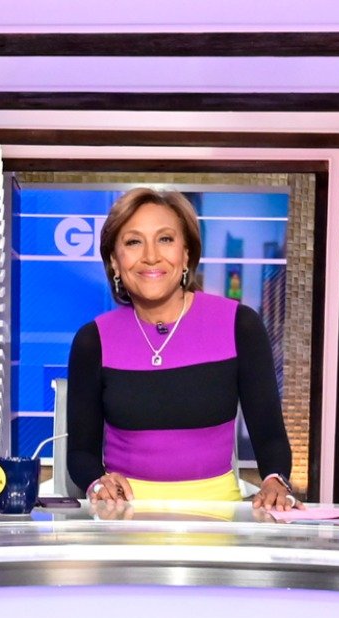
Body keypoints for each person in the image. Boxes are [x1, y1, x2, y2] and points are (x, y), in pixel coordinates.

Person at [66, 187, 298, 510]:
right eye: (133, 242)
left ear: (186, 254)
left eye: (165, 239)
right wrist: (96, 482)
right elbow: (80, 454)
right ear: (115, 263)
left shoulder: (239, 326)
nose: (151, 256)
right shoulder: (93, 341)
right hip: (124, 519)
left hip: (218, 521)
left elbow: (270, 436)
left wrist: (275, 480)